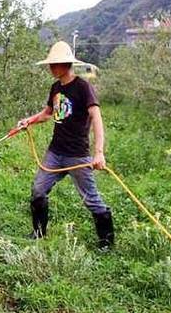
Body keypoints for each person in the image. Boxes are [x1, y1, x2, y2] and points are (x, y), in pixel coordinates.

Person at [17, 41, 114, 249]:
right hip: (55, 152)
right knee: (38, 190)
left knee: (91, 199)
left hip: (77, 155)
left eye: (55, 64)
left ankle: (106, 243)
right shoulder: (56, 87)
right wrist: (29, 121)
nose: (51, 68)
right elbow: (47, 114)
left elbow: (96, 117)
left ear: (66, 64)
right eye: (50, 64)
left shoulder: (83, 87)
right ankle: (39, 232)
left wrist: (98, 153)